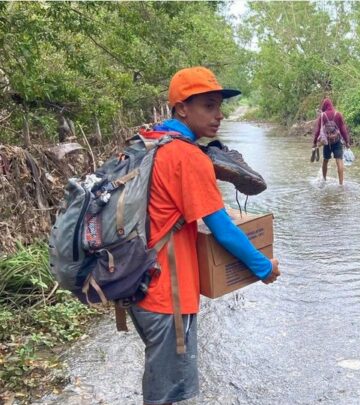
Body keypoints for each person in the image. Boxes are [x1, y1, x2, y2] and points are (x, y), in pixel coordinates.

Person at [130, 66, 281, 405]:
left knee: (159, 382)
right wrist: (263, 267)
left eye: (219, 106)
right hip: (168, 296)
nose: (219, 116)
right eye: (209, 106)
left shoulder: (149, 142)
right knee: (172, 395)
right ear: (182, 108)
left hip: (137, 288)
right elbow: (223, 230)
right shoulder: (186, 156)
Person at [312, 98, 351, 185]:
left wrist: (314, 142)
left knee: (325, 160)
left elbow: (318, 130)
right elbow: (343, 129)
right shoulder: (338, 114)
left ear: (325, 106)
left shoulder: (322, 116)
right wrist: (347, 142)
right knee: (339, 161)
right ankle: (341, 184)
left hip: (327, 142)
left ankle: (324, 179)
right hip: (337, 142)